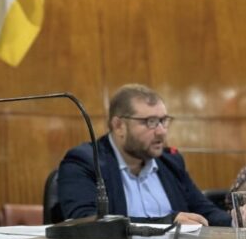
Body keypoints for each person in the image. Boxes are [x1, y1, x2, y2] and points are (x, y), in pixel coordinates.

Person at [58, 83, 232, 226]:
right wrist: (165, 223)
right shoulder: (85, 161)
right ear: (119, 126)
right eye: (150, 122)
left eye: (163, 120)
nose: (161, 131)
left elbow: (204, 210)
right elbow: (86, 220)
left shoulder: (170, 161)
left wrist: (236, 219)